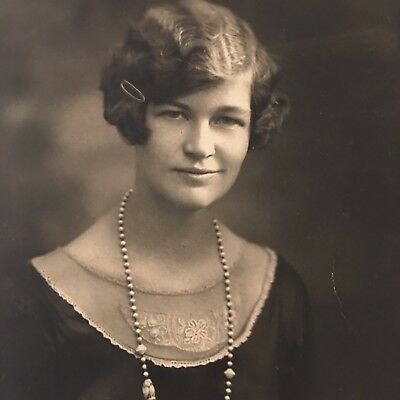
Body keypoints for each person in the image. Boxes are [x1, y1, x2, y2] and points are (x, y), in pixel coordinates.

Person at [1, 1, 309, 399]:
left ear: (253, 129)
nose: (200, 146)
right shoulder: (37, 303)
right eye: (175, 114)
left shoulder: (280, 293)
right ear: (134, 115)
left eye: (227, 120)